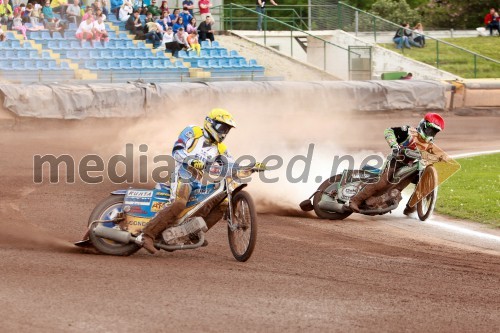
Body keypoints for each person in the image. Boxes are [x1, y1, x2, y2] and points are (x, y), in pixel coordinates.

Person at [136, 109, 262, 254]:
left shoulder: (220, 148)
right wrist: (191, 160)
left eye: (227, 130)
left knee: (220, 204)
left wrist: (250, 167)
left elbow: (230, 166)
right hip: (183, 174)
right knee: (179, 204)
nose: (224, 133)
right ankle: (147, 235)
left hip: (197, 181)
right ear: (210, 123)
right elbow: (176, 150)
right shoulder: (193, 131)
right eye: (222, 128)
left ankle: (191, 232)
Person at [349, 113, 445, 215]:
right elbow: (389, 131)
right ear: (423, 124)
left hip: (410, 168)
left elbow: (434, 156)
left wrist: (441, 158)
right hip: (395, 162)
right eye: (430, 130)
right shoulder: (408, 131)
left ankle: (410, 207)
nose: (431, 133)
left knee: (421, 182)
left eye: (435, 132)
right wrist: (394, 145)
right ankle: (355, 200)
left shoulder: (429, 144)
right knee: (382, 182)